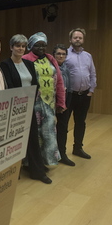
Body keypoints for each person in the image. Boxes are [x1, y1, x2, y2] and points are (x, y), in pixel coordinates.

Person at [0, 34, 52, 184]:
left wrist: (30, 97)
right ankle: (13, 172)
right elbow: (9, 86)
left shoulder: (29, 64)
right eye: (17, 46)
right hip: (15, 110)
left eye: (23, 46)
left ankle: (37, 171)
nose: (20, 49)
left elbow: (35, 85)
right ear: (11, 47)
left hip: (29, 107)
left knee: (33, 139)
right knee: (14, 141)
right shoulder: (6, 65)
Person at [23, 32, 66, 165]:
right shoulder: (25, 59)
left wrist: (61, 102)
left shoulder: (50, 59)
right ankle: (33, 163)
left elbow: (59, 81)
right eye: (37, 45)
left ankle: (46, 161)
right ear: (31, 46)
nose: (41, 48)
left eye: (44, 45)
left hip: (49, 104)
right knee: (34, 135)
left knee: (48, 133)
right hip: (33, 104)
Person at [65, 28, 97, 159]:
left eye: (80, 38)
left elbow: (93, 74)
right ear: (70, 39)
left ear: (83, 40)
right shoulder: (64, 54)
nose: (77, 39)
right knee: (63, 123)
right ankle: (60, 152)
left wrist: (91, 91)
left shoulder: (88, 56)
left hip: (84, 95)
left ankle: (78, 148)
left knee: (80, 122)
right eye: (75, 37)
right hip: (69, 96)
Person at [53, 44, 76, 166]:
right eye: (58, 54)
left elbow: (70, 87)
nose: (61, 56)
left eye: (63, 54)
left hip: (65, 103)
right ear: (54, 55)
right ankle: (51, 155)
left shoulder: (66, 68)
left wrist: (66, 103)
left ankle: (62, 154)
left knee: (63, 129)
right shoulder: (51, 68)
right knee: (50, 130)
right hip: (52, 103)